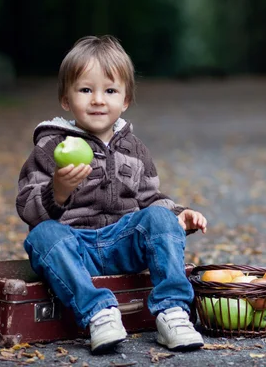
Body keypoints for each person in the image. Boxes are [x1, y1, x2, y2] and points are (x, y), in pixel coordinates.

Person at [16, 35, 208, 354]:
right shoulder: (50, 149)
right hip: (75, 246)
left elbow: (149, 200)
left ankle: (172, 311)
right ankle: (98, 313)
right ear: (66, 98)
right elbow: (27, 206)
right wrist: (58, 191)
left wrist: (178, 215)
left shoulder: (134, 149)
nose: (98, 100)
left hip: (123, 242)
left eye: (110, 91)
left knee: (160, 217)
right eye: (86, 90)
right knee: (42, 236)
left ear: (126, 100)